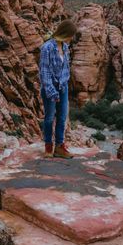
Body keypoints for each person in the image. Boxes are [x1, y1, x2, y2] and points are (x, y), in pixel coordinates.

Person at [39, 19, 78, 158]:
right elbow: (44, 72)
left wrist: (65, 85)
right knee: (49, 117)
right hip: (50, 87)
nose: (71, 38)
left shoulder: (65, 47)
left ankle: (60, 147)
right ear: (65, 33)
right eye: (71, 35)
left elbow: (66, 68)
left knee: (62, 117)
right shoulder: (47, 47)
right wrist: (51, 91)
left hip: (63, 86)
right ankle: (48, 146)